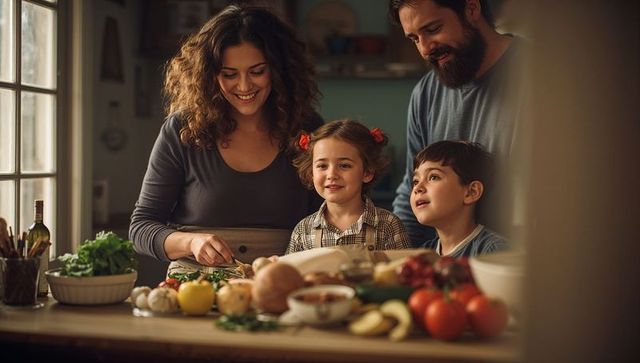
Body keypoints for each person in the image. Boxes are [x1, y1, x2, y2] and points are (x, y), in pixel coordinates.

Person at [129, 5, 323, 270]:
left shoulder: (307, 128)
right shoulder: (182, 129)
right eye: (229, 74)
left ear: (280, 71)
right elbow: (141, 228)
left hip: (283, 280)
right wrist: (191, 243)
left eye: (257, 71)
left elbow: (330, 218)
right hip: (194, 286)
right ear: (209, 76)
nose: (244, 86)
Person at [388, 0, 529, 246]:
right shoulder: (426, 94)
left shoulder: (541, 76)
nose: (424, 49)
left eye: (432, 29)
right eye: (414, 39)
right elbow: (411, 192)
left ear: (471, 9)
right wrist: (403, 258)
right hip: (448, 270)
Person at [286, 120, 411, 254]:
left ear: (367, 172)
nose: (331, 175)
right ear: (311, 173)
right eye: (322, 166)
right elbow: (289, 274)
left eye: (344, 165)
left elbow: (406, 272)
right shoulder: (302, 231)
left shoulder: (389, 225)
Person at [411, 140, 507, 257]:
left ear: (471, 192)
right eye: (415, 181)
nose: (417, 188)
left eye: (433, 177)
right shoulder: (422, 256)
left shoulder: (495, 252)